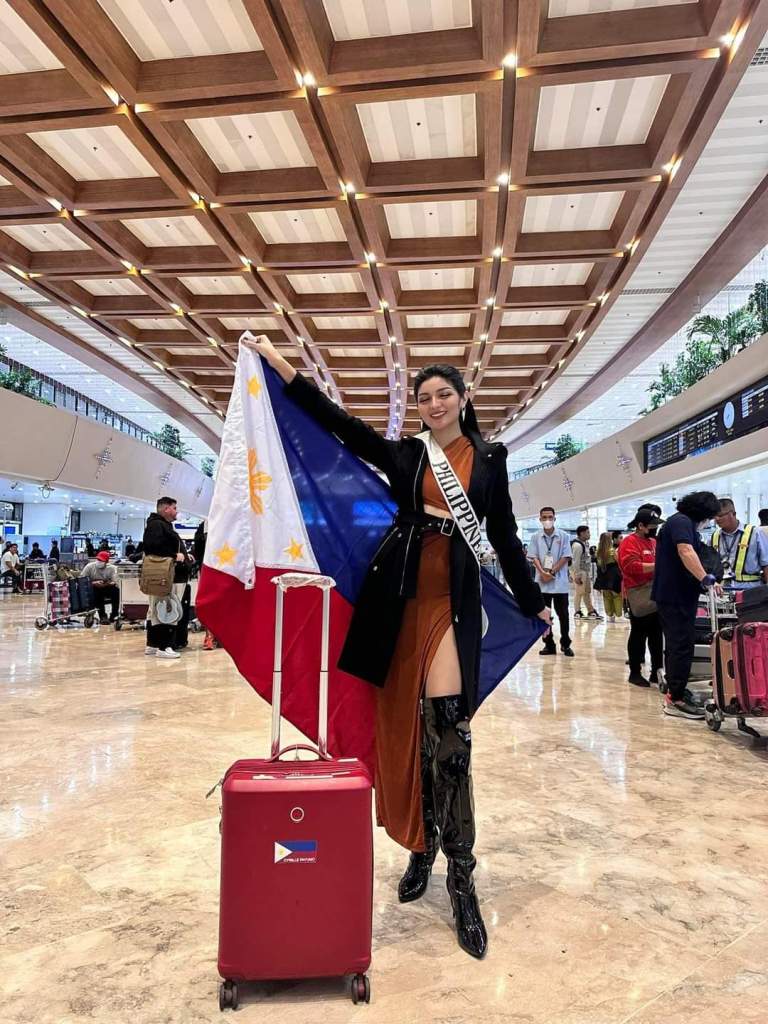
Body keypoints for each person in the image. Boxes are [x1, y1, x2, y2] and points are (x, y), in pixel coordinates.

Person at [248, 337, 549, 960]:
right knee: (404, 733)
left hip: (451, 601)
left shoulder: (490, 459)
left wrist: (531, 599)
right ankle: (421, 844)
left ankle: (461, 878)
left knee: (450, 734)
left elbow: (503, 534)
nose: (435, 404)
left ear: (463, 398)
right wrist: (280, 367)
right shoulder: (408, 453)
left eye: (444, 394)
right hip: (398, 597)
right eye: (425, 398)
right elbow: (340, 424)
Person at [652, 491, 721, 720]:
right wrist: (704, 578)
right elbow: (685, 550)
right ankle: (675, 699)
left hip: (676, 595)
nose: (709, 521)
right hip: (675, 596)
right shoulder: (681, 522)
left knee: (678, 645)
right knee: (680, 646)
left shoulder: (681, 522)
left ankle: (676, 689)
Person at [142, 498, 193, 659]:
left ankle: (153, 644)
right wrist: (175, 556)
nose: (177, 511)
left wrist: (184, 556)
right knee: (168, 609)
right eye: (174, 508)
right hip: (166, 576)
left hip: (167, 576)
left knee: (157, 609)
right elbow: (153, 547)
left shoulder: (160, 525)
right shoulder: (157, 525)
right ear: (166, 509)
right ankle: (164, 646)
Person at [618, 510, 664, 687]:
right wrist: (657, 566)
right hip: (639, 593)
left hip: (656, 592)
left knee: (656, 634)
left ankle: (657, 672)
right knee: (639, 633)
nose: (655, 528)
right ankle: (635, 673)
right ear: (641, 526)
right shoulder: (629, 542)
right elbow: (631, 566)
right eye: (652, 525)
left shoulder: (653, 542)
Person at [528, 507, 573, 657]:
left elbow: (566, 556)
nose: (547, 520)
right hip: (542, 584)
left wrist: (552, 572)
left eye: (550, 517)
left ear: (554, 518)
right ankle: (549, 644)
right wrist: (542, 572)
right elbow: (533, 557)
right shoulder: (535, 537)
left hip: (559, 584)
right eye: (544, 517)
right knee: (544, 616)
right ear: (540, 519)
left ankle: (566, 644)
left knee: (563, 615)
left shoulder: (564, 536)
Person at [711, 499, 768, 589]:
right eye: (714, 516)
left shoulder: (755, 533)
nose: (717, 519)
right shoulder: (714, 536)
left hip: (750, 589)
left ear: (733, 514)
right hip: (723, 590)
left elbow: (766, 564)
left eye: (720, 515)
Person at [194, 519, 219, 650]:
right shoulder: (204, 525)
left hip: (215, 568)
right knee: (211, 603)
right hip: (210, 569)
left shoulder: (205, 525)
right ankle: (210, 636)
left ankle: (213, 637)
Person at [571, 525, 602, 619]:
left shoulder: (585, 543)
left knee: (587, 591)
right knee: (579, 592)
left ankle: (590, 610)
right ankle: (577, 611)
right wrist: (577, 575)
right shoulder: (577, 546)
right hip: (579, 571)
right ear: (582, 533)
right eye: (588, 532)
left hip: (585, 571)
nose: (589, 534)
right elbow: (575, 561)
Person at [80, 551, 120, 623]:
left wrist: (107, 584)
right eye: (98, 559)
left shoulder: (112, 568)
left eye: (102, 560)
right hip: (94, 587)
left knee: (116, 591)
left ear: (106, 562)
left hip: (107, 587)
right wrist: (93, 583)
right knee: (96, 593)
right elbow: (82, 580)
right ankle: (103, 616)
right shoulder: (89, 567)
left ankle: (114, 615)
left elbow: (115, 581)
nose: (99, 561)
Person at [594, 532, 623, 623]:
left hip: (602, 576)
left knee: (606, 596)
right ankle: (618, 613)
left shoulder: (598, 551)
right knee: (616, 595)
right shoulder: (612, 551)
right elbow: (619, 562)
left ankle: (610, 615)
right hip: (614, 576)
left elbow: (598, 564)